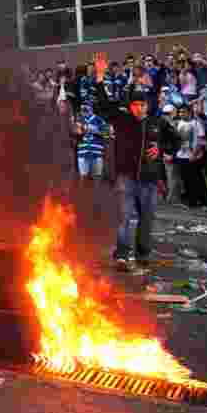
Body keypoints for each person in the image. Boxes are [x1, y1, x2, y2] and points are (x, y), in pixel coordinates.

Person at [93, 53, 178, 268]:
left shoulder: (156, 122)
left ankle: (143, 255)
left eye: (143, 105)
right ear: (130, 106)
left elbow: (175, 140)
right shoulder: (122, 120)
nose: (140, 108)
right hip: (126, 178)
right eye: (136, 105)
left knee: (147, 219)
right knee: (124, 218)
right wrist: (100, 77)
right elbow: (104, 104)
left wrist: (162, 149)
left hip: (149, 180)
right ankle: (121, 255)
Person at [74, 102, 107, 184]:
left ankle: (97, 195)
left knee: (97, 178)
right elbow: (74, 134)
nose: (84, 111)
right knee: (83, 179)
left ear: (91, 109)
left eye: (86, 109)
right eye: (82, 109)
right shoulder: (78, 120)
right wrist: (78, 130)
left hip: (96, 153)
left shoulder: (99, 119)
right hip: (82, 153)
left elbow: (107, 133)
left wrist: (95, 130)